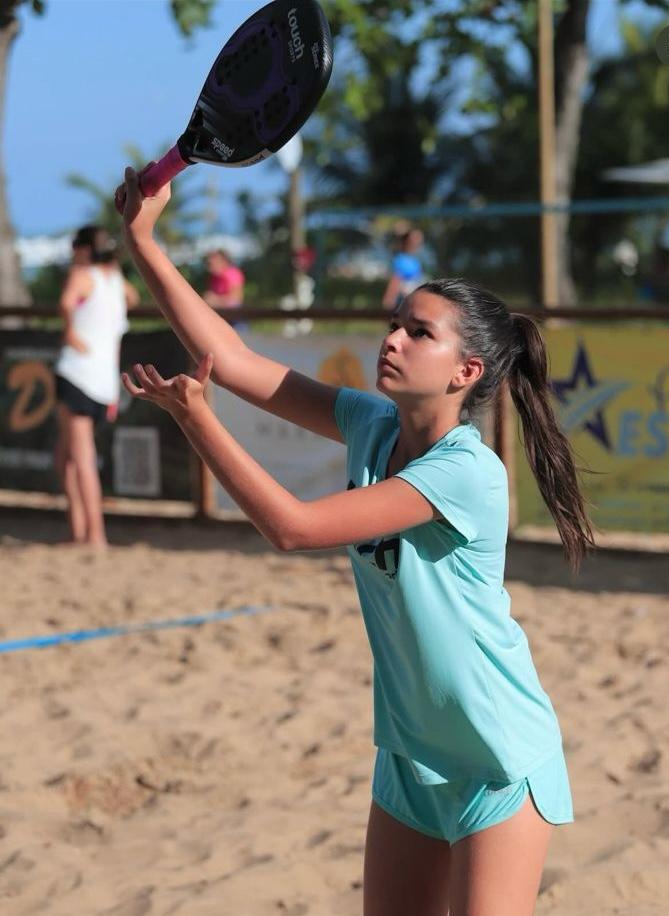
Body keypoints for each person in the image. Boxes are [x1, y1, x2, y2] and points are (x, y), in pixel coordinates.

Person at [116, 166, 595, 915]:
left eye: (418, 331)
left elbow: (293, 528)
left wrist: (196, 420)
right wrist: (143, 240)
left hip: (496, 765)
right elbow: (235, 359)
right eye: (396, 321)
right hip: (409, 756)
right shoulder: (372, 425)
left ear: (466, 372)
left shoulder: (468, 472)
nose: (393, 337)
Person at [54, 225, 139, 547]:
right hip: (103, 380)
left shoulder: (83, 275)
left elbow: (65, 302)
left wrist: (70, 330)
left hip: (77, 373)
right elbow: (132, 297)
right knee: (66, 457)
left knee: (81, 459)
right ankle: (80, 530)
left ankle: (94, 534)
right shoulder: (116, 281)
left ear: (84, 249)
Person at [382, 225, 425, 310]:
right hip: (403, 305)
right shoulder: (400, 260)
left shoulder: (415, 260)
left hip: (414, 302)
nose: (418, 242)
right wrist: (389, 300)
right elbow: (395, 281)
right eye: (415, 239)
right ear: (407, 241)